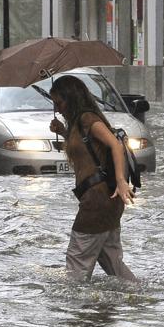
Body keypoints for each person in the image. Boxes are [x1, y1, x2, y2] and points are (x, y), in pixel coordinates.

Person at [48, 75, 137, 282]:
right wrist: (63, 132)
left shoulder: (88, 119)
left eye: (59, 103)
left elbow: (115, 144)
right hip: (107, 203)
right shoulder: (78, 123)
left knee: (76, 263)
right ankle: (138, 297)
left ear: (71, 98)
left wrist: (122, 181)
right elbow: (86, 151)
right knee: (113, 264)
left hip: (97, 202)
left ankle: (76, 312)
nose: (58, 109)